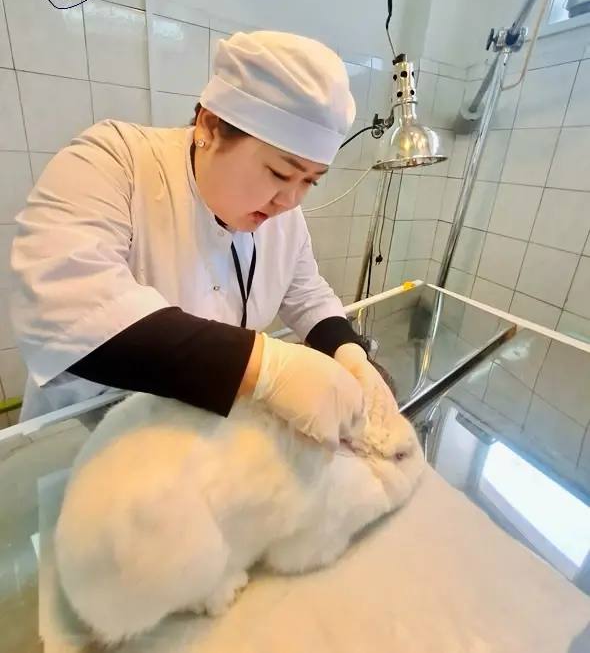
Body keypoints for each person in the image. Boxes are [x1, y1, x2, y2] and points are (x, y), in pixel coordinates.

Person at [10, 30, 396, 448]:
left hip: (189, 443)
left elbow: (305, 294)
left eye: (310, 181)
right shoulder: (113, 161)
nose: (289, 200)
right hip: (80, 444)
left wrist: (348, 352)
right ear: (209, 126)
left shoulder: (282, 214)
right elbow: (68, 311)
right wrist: (269, 368)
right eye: (280, 173)